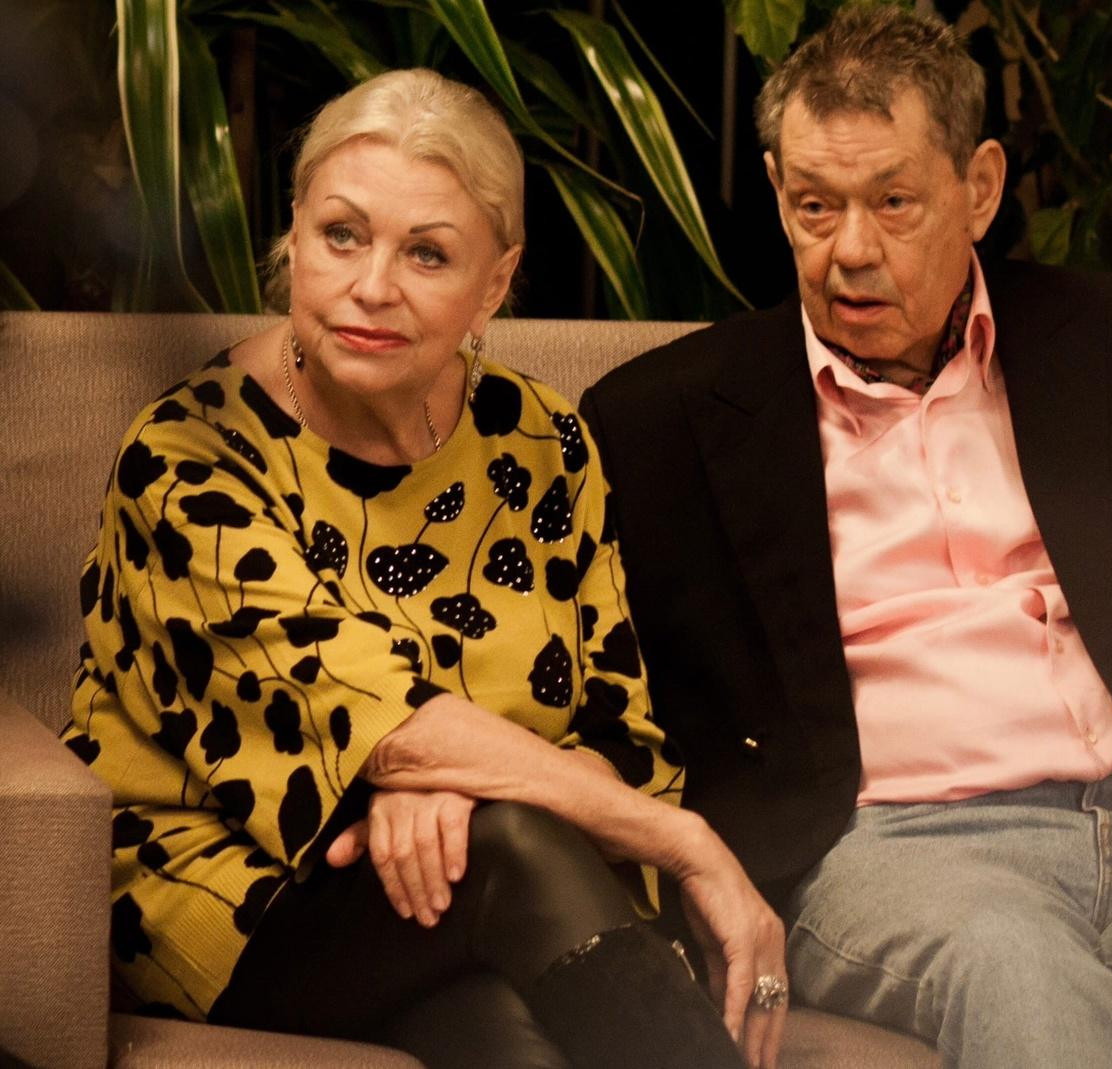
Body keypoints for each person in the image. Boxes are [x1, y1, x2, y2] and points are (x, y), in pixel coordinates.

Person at [579, 7, 1112, 1068]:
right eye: (814, 206)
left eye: (893, 202)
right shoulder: (660, 419)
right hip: (893, 855)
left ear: (979, 187)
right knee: (1020, 969)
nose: (849, 251)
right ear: (775, 190)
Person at [61, 68, 787, 1069]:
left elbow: (616, 731)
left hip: (463, 900)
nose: (372, 286)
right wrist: (684, 842)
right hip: (232, 892)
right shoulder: (190, 457)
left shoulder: (542, 442)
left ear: (494, 283)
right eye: (341, 235)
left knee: (495, 1027)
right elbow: (375, 728)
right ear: (293, 237)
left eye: (427, 252)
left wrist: (456, 787)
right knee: (512, 852)